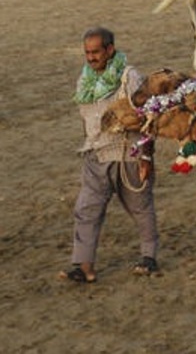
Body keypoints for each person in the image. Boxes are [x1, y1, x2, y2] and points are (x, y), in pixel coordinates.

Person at [59, 27, 159, 283]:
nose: (91, 58)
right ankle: (84, 267)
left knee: (140, 207)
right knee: (86, 209)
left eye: (96, 52)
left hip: (129, 154)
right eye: (87, 53)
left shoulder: (130, 77)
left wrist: (146, 157)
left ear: (110, 50)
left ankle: (148, 257)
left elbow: (150, 116)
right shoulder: (84, 81)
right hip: (96, 155)